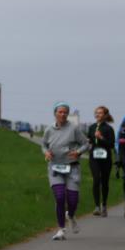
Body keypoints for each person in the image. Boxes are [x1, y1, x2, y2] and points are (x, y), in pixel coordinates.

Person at [42, 102, 90, 240]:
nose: (62, 114)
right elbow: (44, 145)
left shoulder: (74, 128)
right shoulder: (49, 130)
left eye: (65, 112)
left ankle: (70, 215)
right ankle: (61, 229)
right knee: (59, 196)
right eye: (60, 112)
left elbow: (86, 144)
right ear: (55, 113)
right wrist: (46, 153)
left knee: (73, 200)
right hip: (55, 167)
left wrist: (78, 152)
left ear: (67, 114)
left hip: (72, 167)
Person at [86, 106, 115, 217]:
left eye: (100, 113)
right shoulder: (92, 127)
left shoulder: (109, 129)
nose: (98, 115)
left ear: (105, 115)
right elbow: (89, 140)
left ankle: (104, 205)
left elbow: (111, 145)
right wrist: (88, 140)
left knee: (105, 182)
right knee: (96, 180)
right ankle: (97, 206)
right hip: (94, 157)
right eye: (96, 113)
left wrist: (101, 138)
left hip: (106, 158)